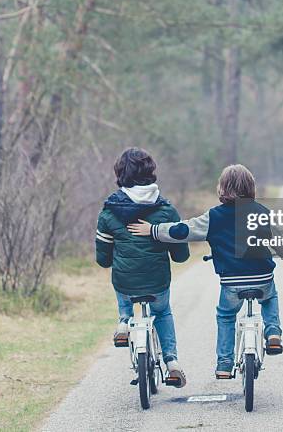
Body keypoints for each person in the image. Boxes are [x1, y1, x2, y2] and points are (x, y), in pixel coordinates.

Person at [128, 164, 283, 379]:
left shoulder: (214, 217)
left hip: (232, 283)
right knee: (270, 296)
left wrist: (153, 230)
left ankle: (225, 364)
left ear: (223, 188)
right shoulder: (262, 212)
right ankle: (273, 332)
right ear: (251, 188)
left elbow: (183, 231)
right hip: (262, 278)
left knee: (226, 315)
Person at [95, 147, 189, 387]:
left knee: (122, 282)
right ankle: (172, 363)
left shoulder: (108, 212)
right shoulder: (166, 210)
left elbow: (103, 260)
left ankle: (124, 321)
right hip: (157, 282)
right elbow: (181, 256)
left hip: (125, 282)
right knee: (163, 312)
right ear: (150, 172)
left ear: (120, 174)